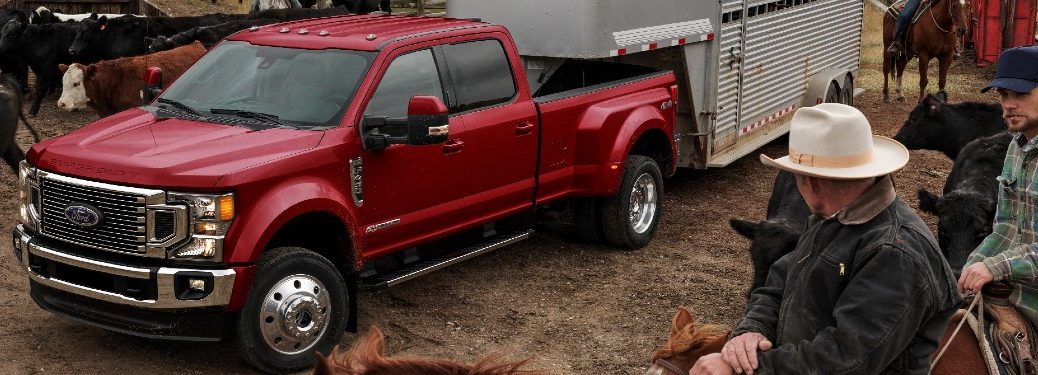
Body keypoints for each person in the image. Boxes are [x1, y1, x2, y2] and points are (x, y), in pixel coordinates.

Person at [691, 103, 962, 374]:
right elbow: (780, 280)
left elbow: (847, 359)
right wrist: (752, 330)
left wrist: (749, 369)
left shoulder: (895, 251)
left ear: (811, 182)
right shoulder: (834, 217)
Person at [959, 45, 1038, 330]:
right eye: (1004, 94)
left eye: (1021, 94)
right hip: (1012, 292)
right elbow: (1005, 227)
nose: (1009, 104)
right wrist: (973, 265)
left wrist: (996, 267)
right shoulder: (1016, 148)